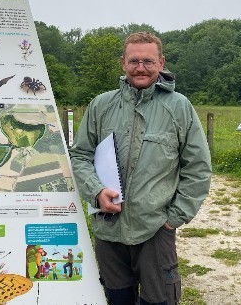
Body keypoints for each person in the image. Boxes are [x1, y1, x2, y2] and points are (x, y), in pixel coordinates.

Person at [70, 32, 212, 305]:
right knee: (117, 299)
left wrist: (173, 219)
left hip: (155, 230)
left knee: (159, 301)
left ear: (161, 62)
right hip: (108, 231)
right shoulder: (101, 105)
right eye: (134, 61)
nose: (141, 68)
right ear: (123, 63)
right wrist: (96, 191)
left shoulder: (179, 107)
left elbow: (198, 168)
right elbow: (80, 156)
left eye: (148, 61)